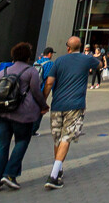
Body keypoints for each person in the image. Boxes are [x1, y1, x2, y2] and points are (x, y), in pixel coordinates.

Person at [0, 43, 48, 192]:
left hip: (0, 112)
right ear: (28, 57)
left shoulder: (3, 72)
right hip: (22, 113)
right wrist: (43, 106)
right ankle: (9, 174)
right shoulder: (31, 71)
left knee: (0, 145)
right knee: (22, 141)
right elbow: (36, 91)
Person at [42, 35, 100, 190]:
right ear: (80, 47)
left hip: (57, 104)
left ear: (68, 47)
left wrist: (42, 103)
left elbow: (49, 82)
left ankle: (58, 169)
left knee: (57, 137)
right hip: (75, 105)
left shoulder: (59, 61)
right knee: (66, 138)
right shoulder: (86, 59)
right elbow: (99, 64)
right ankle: (54, 175)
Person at [33, 47, 55, 136]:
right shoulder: (50, 64)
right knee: (40, 109)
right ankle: (33, 129)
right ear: (49, 54)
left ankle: (27, 127)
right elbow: (50, 80)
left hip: (33, 89)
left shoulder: (36, 62)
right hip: (42, 90)